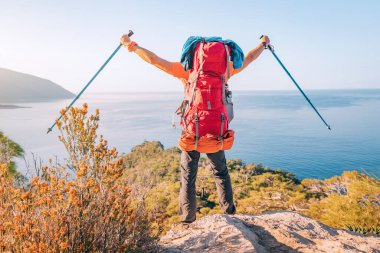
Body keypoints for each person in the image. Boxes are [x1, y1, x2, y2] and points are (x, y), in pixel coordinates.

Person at [121, 34, 270, 225]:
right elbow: (248, 58)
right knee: (221, 173)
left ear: (192, 54)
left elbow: (154, 60)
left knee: (188, 177)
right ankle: (230, 213)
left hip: (192, 133)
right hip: (215, 132)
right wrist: (263, 44)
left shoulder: (185, 71)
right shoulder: (224, 72)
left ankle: (188, 220)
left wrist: (130, 45)